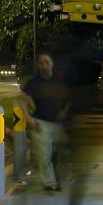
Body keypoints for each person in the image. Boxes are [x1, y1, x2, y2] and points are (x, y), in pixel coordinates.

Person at [19, 52, 71, 193]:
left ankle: (57, 180)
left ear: (52, 64)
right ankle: (49, 183)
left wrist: (65, 111)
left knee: (60, 154)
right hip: (40, 123)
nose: (44, 65)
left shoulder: (59, 81)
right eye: (41, 62)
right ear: (37, 65)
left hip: (59, 125)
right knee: (44, 155)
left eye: (47, 62)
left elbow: (69, 99)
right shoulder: (33, 83)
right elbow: (21, 100)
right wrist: (28, 118)